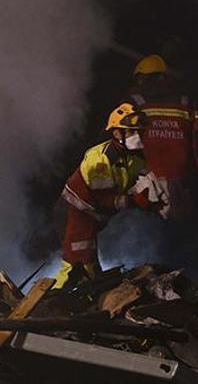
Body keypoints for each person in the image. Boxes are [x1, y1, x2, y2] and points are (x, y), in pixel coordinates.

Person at [54, 103, 166, 288]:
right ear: (116, 133)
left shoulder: (133, 159)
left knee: (90, 267)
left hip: (89, 218)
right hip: (73, 214)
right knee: (74, 266)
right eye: (130, 132)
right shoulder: (101, 159)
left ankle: (86, 302)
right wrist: (135, 201)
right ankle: (50, 301)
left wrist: (155, 199)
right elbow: (103, 200)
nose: (136, 137)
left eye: (138, 132)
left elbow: (142, 182)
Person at [125, 54, 198, 222]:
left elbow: (121, 144)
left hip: (145, 188)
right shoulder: (185, 103)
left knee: (140, 238)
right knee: (181, 240)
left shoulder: (132, 104)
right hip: (181, 188)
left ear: (141, 78)